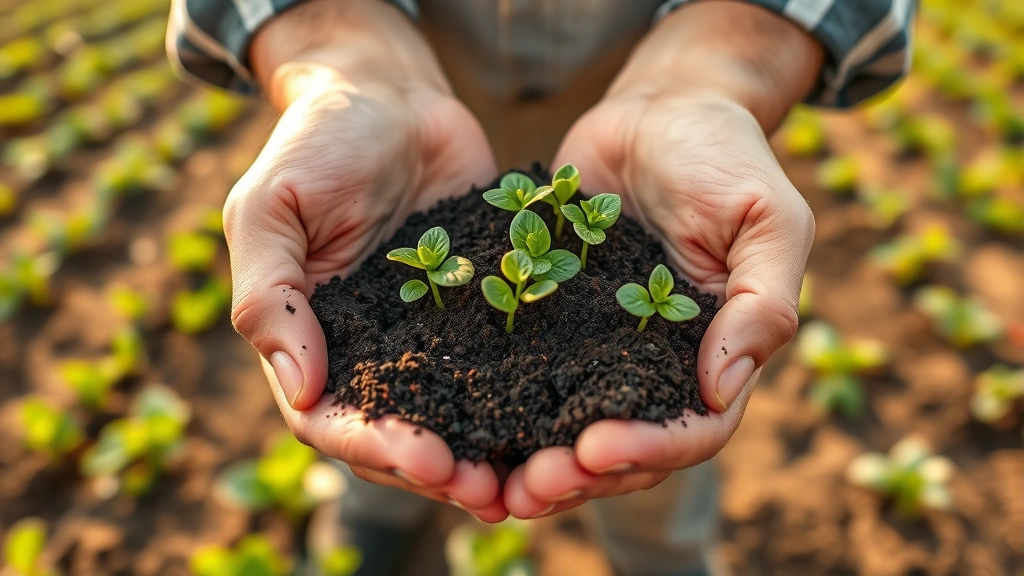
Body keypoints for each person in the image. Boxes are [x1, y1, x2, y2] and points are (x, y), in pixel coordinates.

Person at [167, 1, 914, 574]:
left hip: (653, 103)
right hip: (407, 109)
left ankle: (662, 555)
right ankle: (375, 519)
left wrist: (730, 56)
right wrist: (333, 47)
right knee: (375, 409)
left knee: (649, 453)